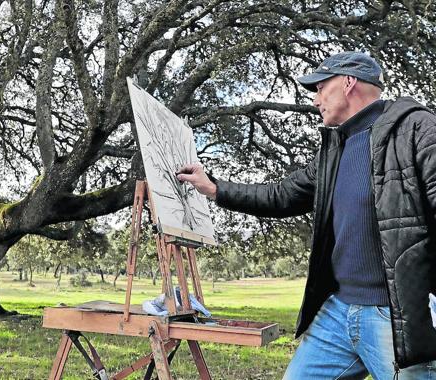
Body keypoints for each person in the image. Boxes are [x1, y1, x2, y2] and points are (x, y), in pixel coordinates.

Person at [177, 51, 436, 379]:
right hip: (338, 312)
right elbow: (281, 195)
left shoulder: (416, 127)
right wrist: (213, 188)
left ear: (348, 83)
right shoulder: (333, 150)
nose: (315, 100)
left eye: (320, 88)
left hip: (394, 317)